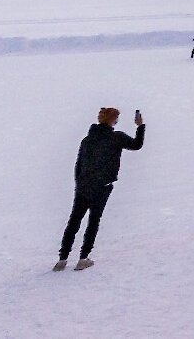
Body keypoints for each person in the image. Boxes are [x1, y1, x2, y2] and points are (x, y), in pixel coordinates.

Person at [56, 107, 145, 271]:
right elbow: (137, 145)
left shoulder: (87, 139)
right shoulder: (116, 138)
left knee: (74, 221)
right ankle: (83, 258)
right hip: (101, 186)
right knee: (93, 221)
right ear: (113, 120)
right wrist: (140, 126)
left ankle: (62, 260)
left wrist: (79, 183)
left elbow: (78, 164)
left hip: (83, 186)